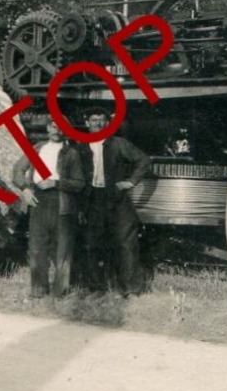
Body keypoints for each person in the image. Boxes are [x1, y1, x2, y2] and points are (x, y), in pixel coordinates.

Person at [77, 106, 151, 296]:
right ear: (87, 124)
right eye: (94, 120)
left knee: (126, 244)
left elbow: (143, 160)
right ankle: (96, 289)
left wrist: (131, 182)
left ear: (108, 123)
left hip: (116, 199)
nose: (98, 123)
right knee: (92, 245)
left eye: (102, 119)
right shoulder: (80, 146)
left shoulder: (119, 143)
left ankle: (131, 290)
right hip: (92, 200)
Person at [10, 112, 85, 298]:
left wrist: (56, 183)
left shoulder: (72, 153)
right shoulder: (37, 148)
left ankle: (60, 292)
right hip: (37, 201)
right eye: (53, 126)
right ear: (48, 128)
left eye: (61, 127)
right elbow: (18, 170)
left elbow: (79, 183)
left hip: (61, 202)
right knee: (36, 247)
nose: (56, 130)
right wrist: (25, 189)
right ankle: (38, 290)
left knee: (62, 249)